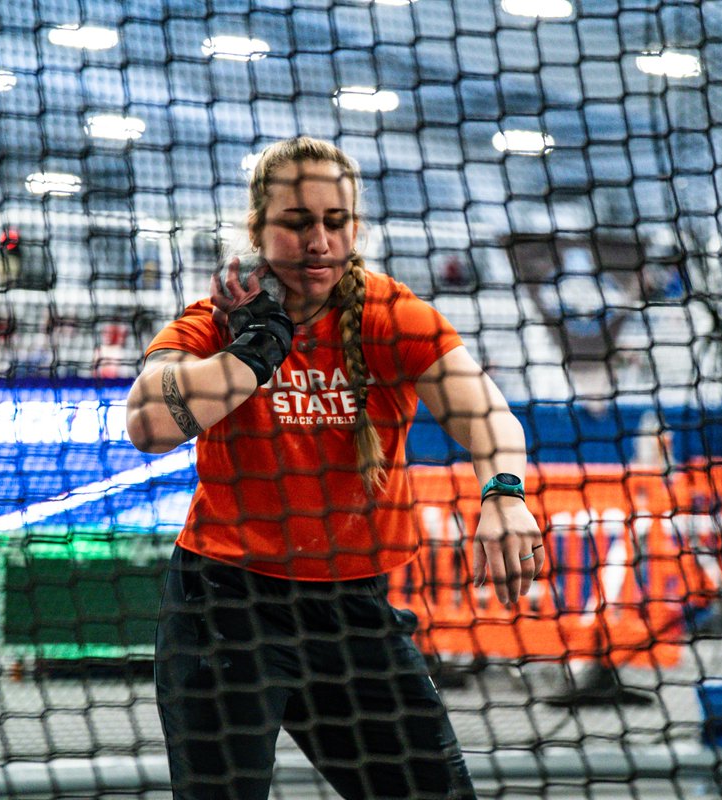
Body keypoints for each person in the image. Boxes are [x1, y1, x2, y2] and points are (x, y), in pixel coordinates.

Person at [126, 136, 543, 800]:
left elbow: (485, 413)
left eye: (334, 222)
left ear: (355, 227)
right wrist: (258, 348)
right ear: (259, 228)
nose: (318, 240)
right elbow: (147, 425)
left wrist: (504, 494)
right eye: (296, 224)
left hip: (353, 613)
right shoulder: (216, 323)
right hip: (226, 610)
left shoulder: (389, 314)